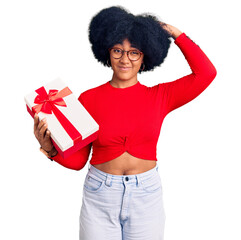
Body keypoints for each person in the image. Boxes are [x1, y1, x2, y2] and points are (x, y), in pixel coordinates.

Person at [33, 6, 217, 240]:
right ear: (107, 52)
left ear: (145, 56)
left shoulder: (161, 96)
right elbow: (79, 161)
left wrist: (175, 34)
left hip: (146, 196)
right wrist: (50, 150)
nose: (125, 59)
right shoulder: (88, 99)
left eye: (134, 52)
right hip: (99, 196)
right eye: (118, 50)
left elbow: (206, 73)